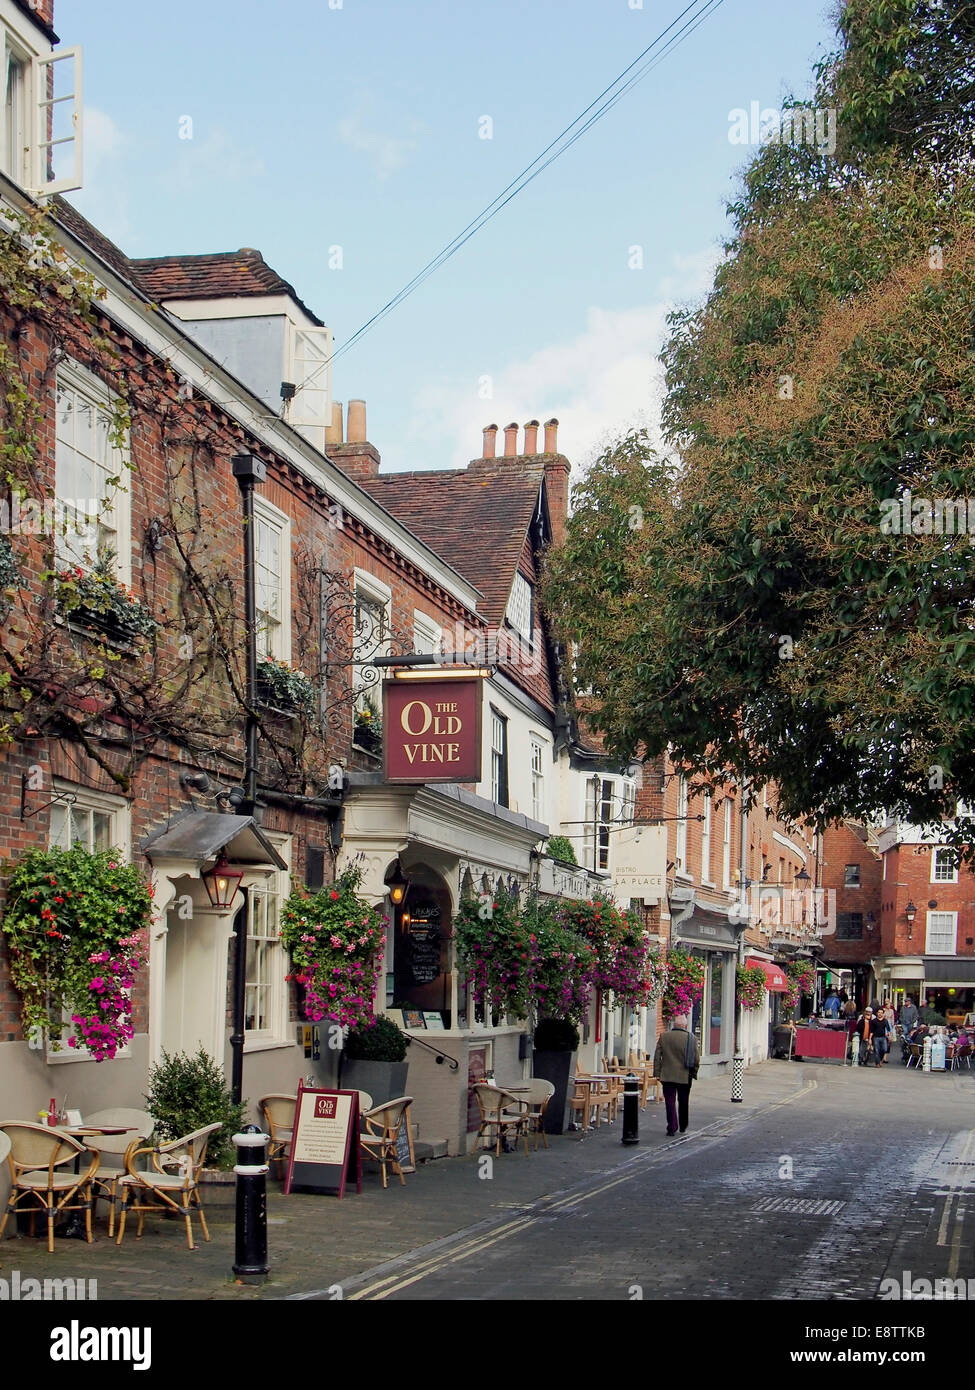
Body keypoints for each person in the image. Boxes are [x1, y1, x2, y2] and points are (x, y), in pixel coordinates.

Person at [653, 1015, 700, 1136]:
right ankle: (683, 1125)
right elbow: (696, 1059)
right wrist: (694, 1072)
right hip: (685, 1075)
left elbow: (657, 1056)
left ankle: (672, 1126)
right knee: (683, 1101)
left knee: (670, 1101)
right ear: (685, 1026)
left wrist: (657, 1073)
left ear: (674, 1025)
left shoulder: (664, 1036)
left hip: (667, 1075)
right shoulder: (692, 1038)